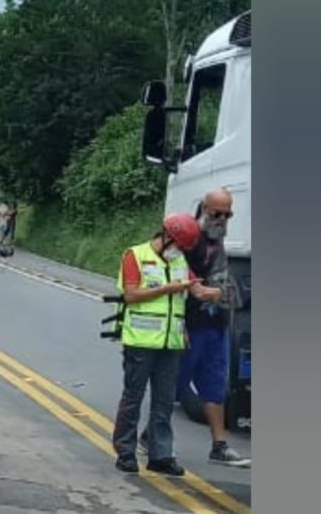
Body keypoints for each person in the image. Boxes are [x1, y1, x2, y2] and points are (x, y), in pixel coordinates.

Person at [140, 189, 250, 467]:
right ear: (204, 208)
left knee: (215, 382)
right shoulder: (189, 238)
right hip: (191, 324)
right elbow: (172, 280)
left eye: (228, 214)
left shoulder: (217, 236)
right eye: (217, 213)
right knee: (175, 383)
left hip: (216, 324)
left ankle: (219, 445)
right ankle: (148, 436)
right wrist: (181, 325)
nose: (223, 219)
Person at [111, 213, 221, 476]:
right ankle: (125, 452)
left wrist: (214, 293)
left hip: (171, 343)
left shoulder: (180, 260)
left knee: (164, 402)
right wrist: (168, 289)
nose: (181, 251)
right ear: (167, 236)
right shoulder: (134, 256)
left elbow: (195, 290)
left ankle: (160, 455)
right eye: (179, 245)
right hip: (140, 340)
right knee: (133, 398)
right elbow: (131, 294)